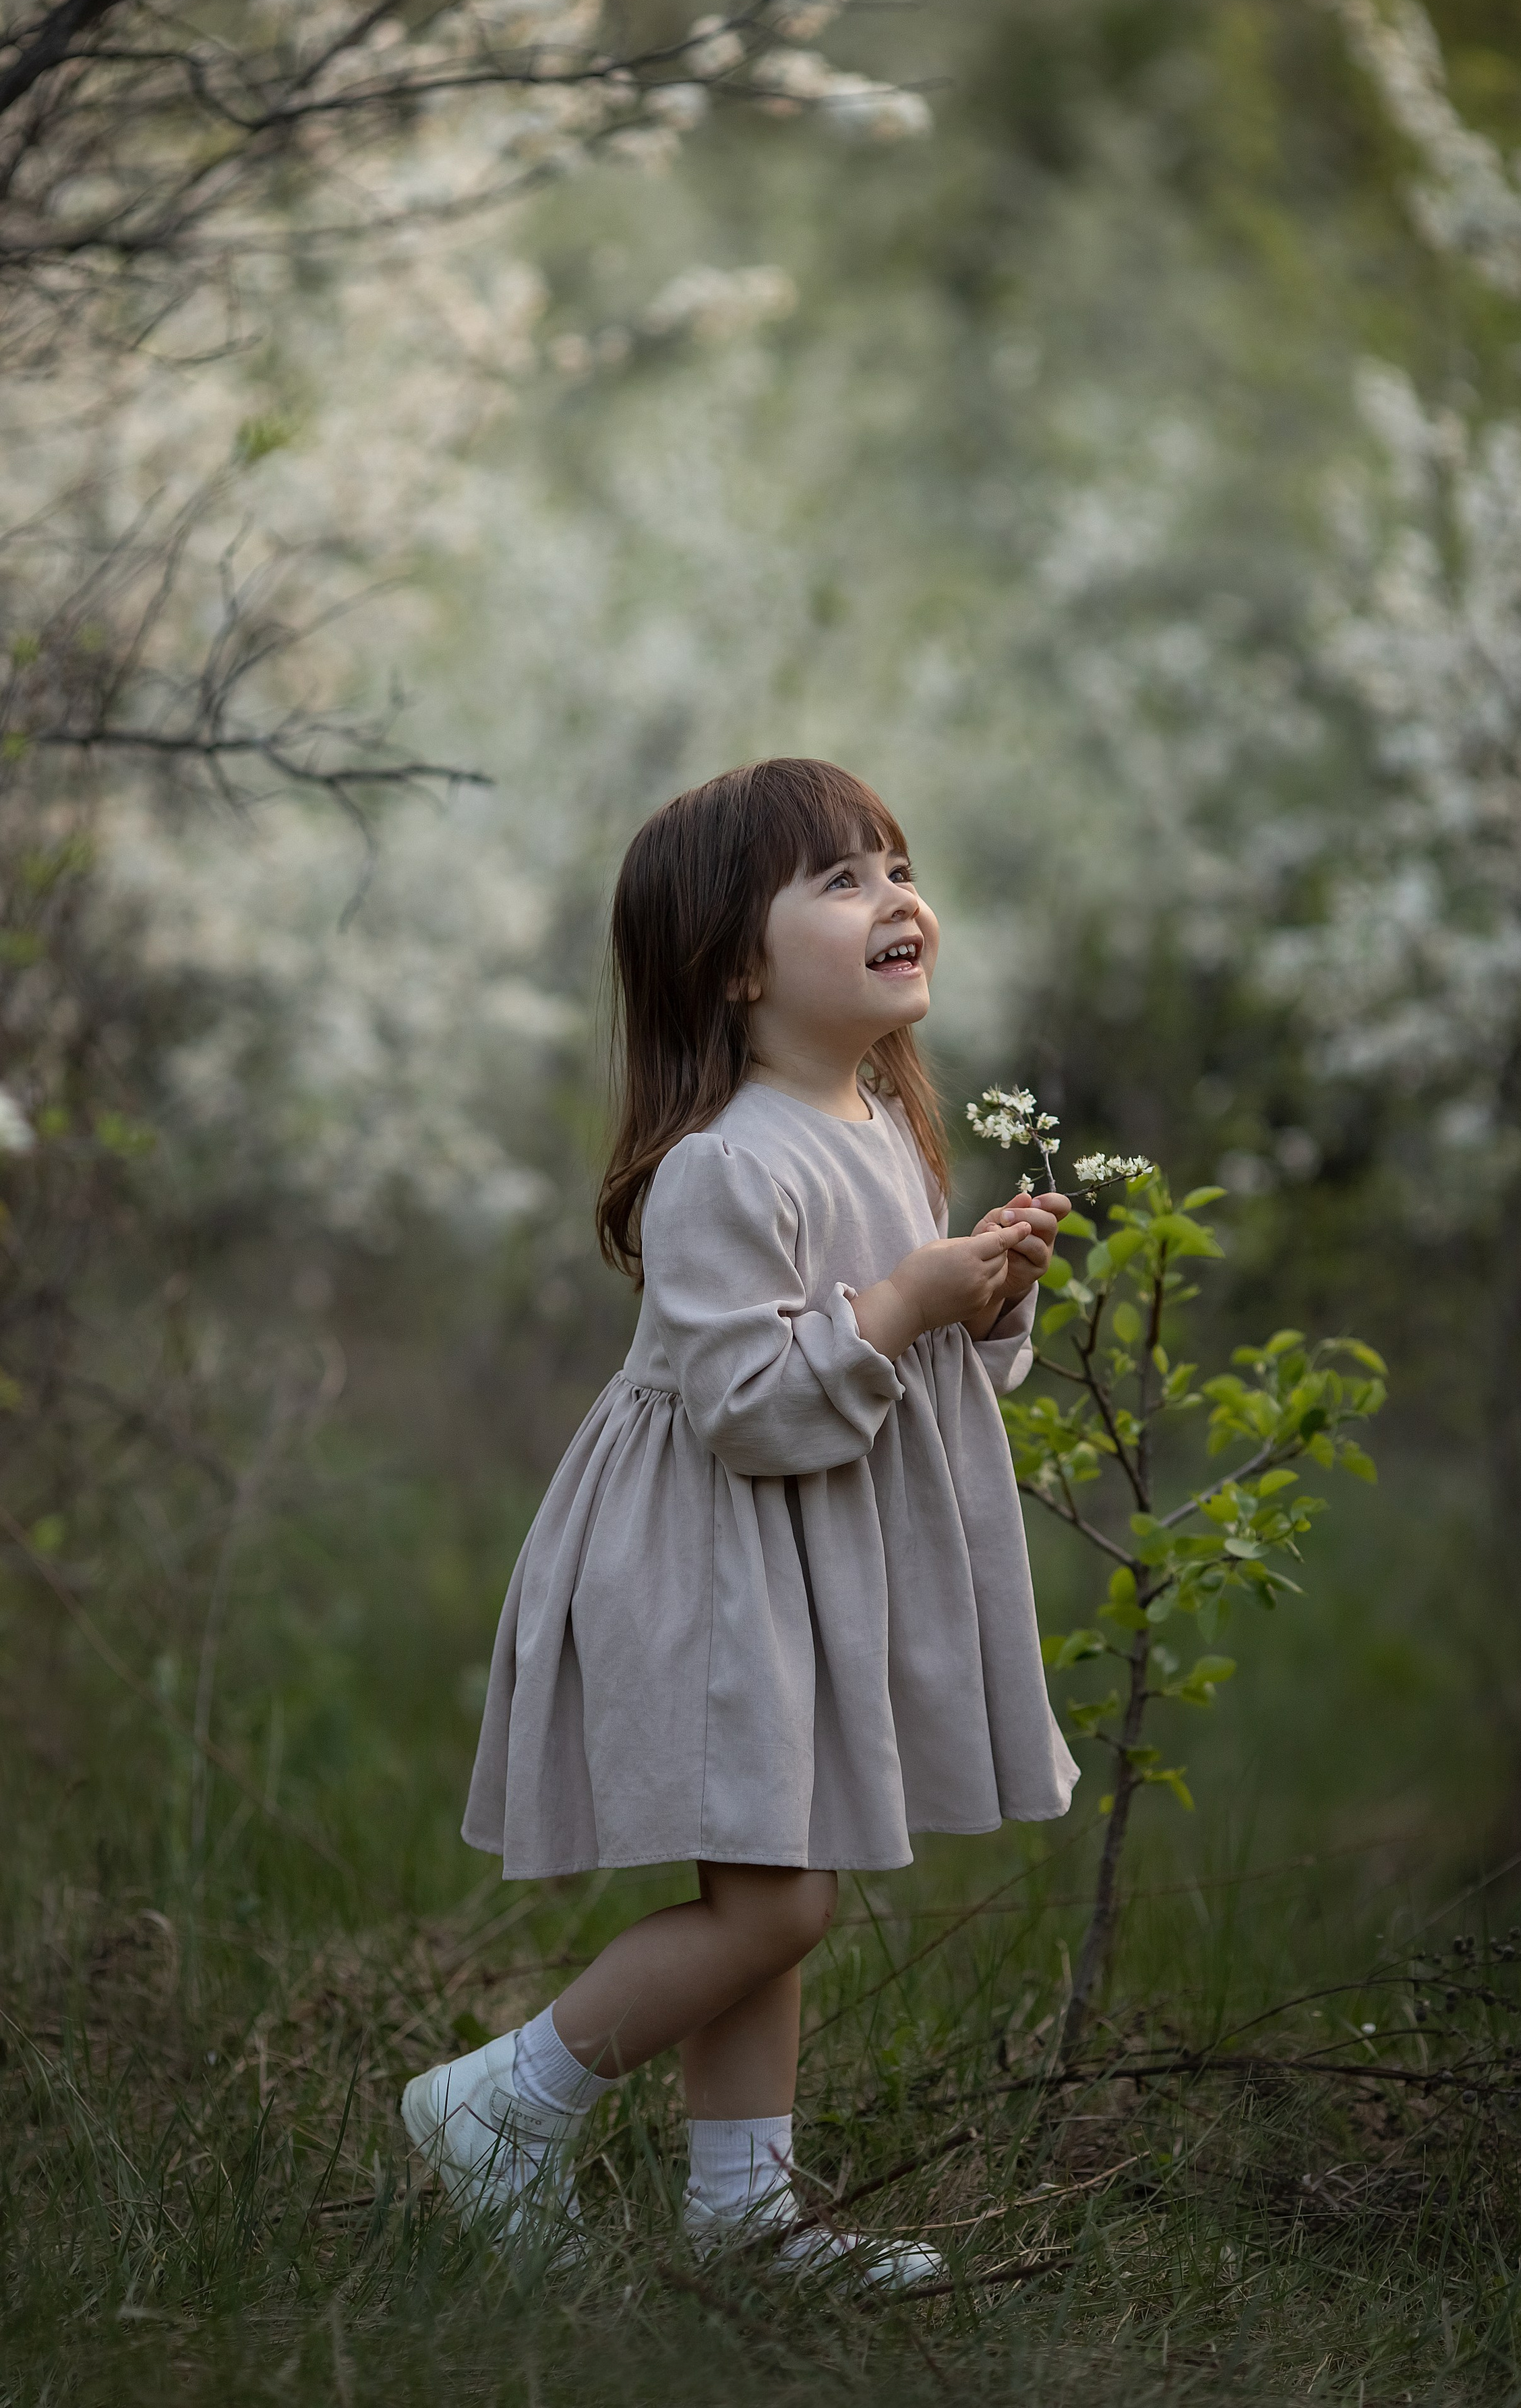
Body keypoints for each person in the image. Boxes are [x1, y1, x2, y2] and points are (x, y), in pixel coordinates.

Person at [402, 757, 1077, 2285]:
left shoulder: (888, 1136)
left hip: (796, 1572)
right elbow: (751, 1410)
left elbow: (911, 1365)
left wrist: (980, 1300)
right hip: (702, 1564)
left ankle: (741, 2224)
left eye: (893, 864)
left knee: (779, 1879)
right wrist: (904, 1297)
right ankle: (504, 2101)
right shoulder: (720, 1166)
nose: (893, 897)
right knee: (777, 1903)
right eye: (837, 880)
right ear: (732, 963)